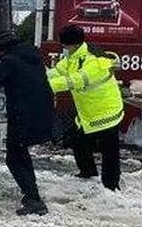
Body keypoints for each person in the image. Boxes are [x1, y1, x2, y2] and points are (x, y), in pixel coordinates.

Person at [0, 32, 54, 216]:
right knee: (21, 154)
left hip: (23, 115)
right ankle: (31, 195)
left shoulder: (10, 61)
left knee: (14, 158)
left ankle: (34, 200)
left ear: (3, 49)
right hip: (40, 112)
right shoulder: (33, 58)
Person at [47, 25, 123, 191]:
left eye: (64, 45)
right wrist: (37, 76)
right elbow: (58, 72)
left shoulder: (94, 60)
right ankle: (88, 172)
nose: (63, 48)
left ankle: (111, 186)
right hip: (89, 112)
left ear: (72, 44)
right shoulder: (74, 57)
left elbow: (75, 80)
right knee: (78, 140)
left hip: (106, 111)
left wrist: (44, 86)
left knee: (109, 150)